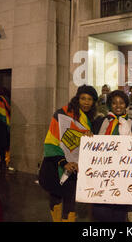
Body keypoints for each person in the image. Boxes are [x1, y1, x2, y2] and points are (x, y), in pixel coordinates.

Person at [39, 85, 98, 222]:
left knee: (70, 202)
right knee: (56, 198)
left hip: (75, 168)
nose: (86, 102)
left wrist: (90, 136)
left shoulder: (90, 119)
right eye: (83, 98)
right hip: (56, 165)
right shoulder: (61, 115)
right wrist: (63, 162)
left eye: (90, 99)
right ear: (77, 99)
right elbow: (50, 142)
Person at [91, 89, 132, 222]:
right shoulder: (99, 122)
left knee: (120, 214)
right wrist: (88, 137)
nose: (118, 106)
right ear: (109, 105)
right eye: (114, 103)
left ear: (126, 105)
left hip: (124, 176)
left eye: (121, 103)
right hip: (102, 175)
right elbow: (90, 147)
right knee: (101, 213)